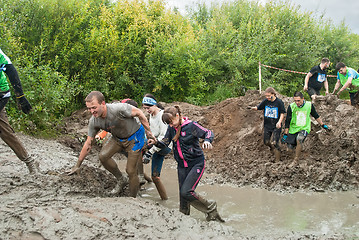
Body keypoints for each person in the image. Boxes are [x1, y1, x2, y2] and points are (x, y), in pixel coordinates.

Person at [68, 91, 155, 198]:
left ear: (103, 103)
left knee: (130, 170)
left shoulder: (118, 108)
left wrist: (149, 132)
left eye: (94, 107)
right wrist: (77, 165)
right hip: (117, 138)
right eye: (89, 108)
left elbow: (139, 113)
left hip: (135, 137)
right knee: (103, 156)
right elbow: (88, 143)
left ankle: (134, 197)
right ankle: (121, 179)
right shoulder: (94, 121)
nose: (92, 111)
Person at [148, 106, 224, 222]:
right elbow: (166, 142)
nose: (171, 125)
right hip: (182, 165)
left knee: (186, 191)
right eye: (168, 123)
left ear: (177, 116)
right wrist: (156, 142)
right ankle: (183, 217)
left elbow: (208, 132)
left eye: (171, 122)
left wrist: (207, 141)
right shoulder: (172, 128)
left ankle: (211, 208)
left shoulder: (191, 126)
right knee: (182, 195)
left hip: (196, 164)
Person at [0, 48, 39, 174]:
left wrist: (20, 96)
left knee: (5, 132)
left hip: (1, 94)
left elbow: (10, 70)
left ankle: (30, 162)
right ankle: (30, 161)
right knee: (4, 131)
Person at [95, 98, 151, 185]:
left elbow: (142, 134)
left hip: (135, 144)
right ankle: (144, 179)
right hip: (123, 144)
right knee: (132, 168)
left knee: (134, 166)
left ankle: (142, 178)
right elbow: (107, 129)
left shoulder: (135, 120)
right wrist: (100, 135)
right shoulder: (116, 116)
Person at [282, 91, 329, 167]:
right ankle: (297, 152)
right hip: (294, 129)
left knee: (299, 139)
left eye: (298, 100)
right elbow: (287, 120)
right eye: (295, 101)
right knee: (289, 149)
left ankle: (296, 160)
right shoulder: (291, 107)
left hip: (304, 128)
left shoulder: (309, 105)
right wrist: (285, 133)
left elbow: (316, 116)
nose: (297, 102)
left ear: (303, 99)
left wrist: (322, 124)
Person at [141, 94, 172, 200]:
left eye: (148, 108)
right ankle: (165, 199)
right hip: (155, 144)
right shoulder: (152, 115)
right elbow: (153, 133)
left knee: (136, 147)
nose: (146, 110)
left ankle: (139, 174)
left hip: (164, 146)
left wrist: (149, 152)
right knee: (155, 177)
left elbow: (164, 139)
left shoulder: (162, 115)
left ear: (154, 105)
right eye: (144, 108)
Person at [250, 87, 286, 162]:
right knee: (266, 142)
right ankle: (271, 148)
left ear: (273, 94)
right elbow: (258, 107)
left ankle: (277, 160)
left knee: (275, 142)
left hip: (276, 125)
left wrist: (279, 122)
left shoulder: (279, 102)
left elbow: (282, 113)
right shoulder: (266, 101)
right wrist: (252, 108)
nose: (268, 97)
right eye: (266, 96)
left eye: (269, 96)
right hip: (267, 125)